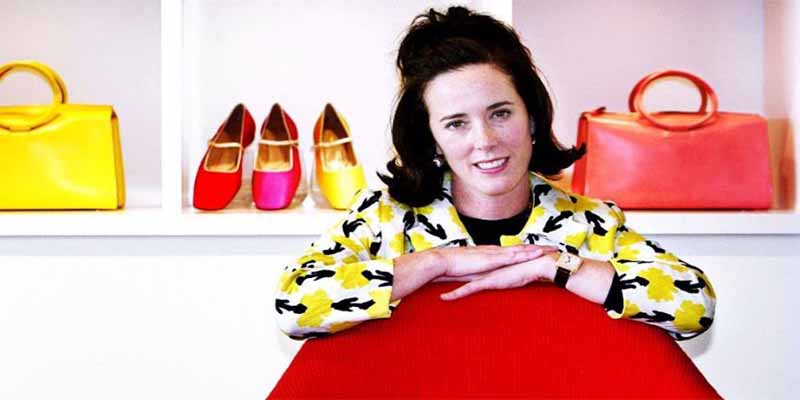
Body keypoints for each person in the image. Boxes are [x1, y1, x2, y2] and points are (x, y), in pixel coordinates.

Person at [274, 6, 715, 341]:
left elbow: (695, 304)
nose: (484, 140)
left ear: (533, 117)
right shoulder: (385, 218)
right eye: (456, 123)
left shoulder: (590, 223)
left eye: (500, 113)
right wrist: (438, 262)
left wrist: (555, 266)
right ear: (431, 139)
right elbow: (294, 304)